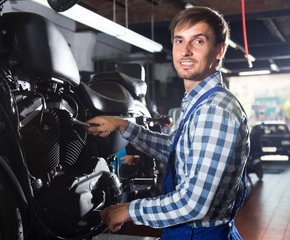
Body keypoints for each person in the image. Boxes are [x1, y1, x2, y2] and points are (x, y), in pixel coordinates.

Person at [86, 6, 250, 240]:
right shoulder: (200, 102)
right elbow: (178, 151)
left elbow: (193, 203)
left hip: (199, 234)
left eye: (199, 41)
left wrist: (127, 210)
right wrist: (124, 126)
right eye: (179, 41)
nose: (185, 51)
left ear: (219, 50)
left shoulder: (214, 110)